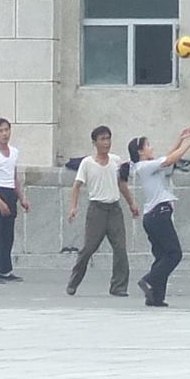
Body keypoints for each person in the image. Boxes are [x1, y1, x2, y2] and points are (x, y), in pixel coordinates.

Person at [66, 125, 138, 297]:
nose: (106, 143)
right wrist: (74, 207)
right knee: (88, 248)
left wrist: (131, 203)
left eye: (108, 139)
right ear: (95, 142)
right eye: (102, 139)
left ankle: (118, 286)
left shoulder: (116, 161)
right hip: (97, 210)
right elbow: (77, 186)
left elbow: (122, 184)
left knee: (120, 249)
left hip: (114, 209)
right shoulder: (87, 163)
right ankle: (74, 281)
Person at [129, 127, 190, 307]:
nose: (151, 148)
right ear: (140, 152)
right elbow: (169, 159)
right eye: (148, 145)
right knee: (174, 254)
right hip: (159, 214)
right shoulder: (143, 166)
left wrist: (180, 140)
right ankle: (149, 280)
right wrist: (189, 144)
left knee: (161, 256)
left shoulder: (151, 167)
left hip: (153, 216)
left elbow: (167, 158)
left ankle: (155, 297)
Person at [0, 117, 31, 284]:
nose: (4, 134)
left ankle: (4, 269)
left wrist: (22, 197)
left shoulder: (14, 152)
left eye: (6, 130)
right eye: (0, 131)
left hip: (10, 192)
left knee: (7, 234)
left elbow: (14, 177)